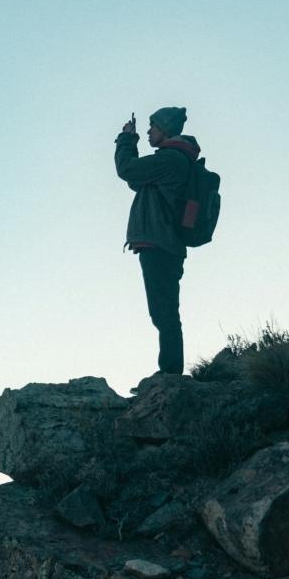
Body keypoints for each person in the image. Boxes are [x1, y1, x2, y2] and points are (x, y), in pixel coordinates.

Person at [114, 106, 201, 376]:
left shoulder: (171, 159)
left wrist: (127, 140)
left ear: (165, 128)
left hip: (161, 245)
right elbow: (137, 180)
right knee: (163, 311)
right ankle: (169, 372)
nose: (149, 131)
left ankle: (170, 375)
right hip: (165, 245)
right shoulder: (173, 159)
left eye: (153, 127)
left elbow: (127, 170)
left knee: (164, 313)